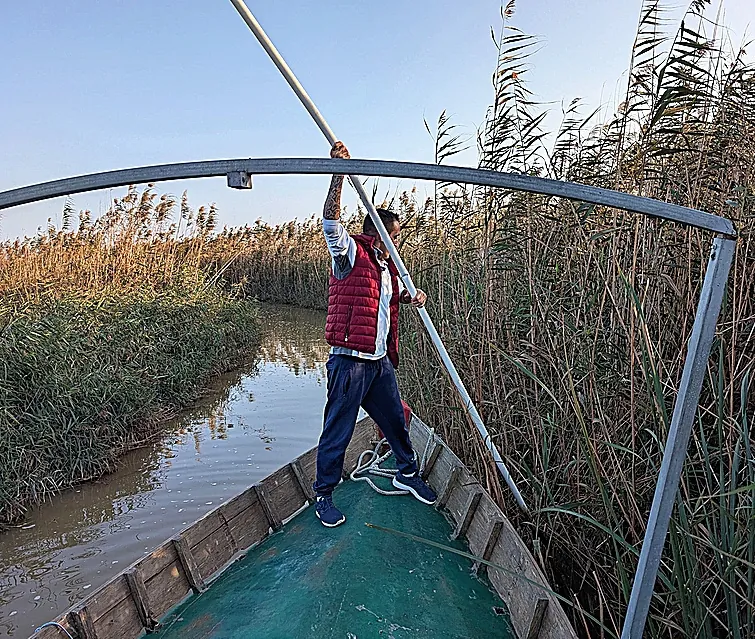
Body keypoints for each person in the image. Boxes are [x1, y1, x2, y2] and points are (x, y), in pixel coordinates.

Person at [313, 141, 438, 527]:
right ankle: (324, 495)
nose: (396, 243)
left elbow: (382, 301)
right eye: (392, 235)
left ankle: (406, 472)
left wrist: (408, 295)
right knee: (338, 430)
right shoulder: (351, 253)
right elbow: (330, 224)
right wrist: (339, 174)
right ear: (375, 233)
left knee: (396, 422)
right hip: (349, 363)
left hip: (379, 362)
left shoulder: (387, 267)